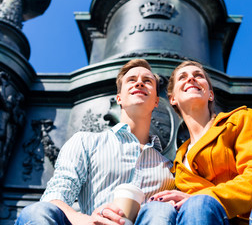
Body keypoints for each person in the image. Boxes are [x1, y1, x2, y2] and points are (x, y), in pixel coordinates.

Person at [135, 61, 252, 225]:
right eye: (182, 77)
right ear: (173, 99)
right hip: (201, 217)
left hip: (250, 217)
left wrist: (205, 197)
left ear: (210, 93)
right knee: (197, 207)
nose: (191, 78)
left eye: (198, 75)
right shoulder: (177, 164)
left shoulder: (241, 119)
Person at [15, 59, 175, 225]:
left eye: (147, 81)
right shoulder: (86, 142)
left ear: (156, 101)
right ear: (119, 98)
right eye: (131, 80)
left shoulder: (168, 167)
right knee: (35, 211)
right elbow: (54, 197)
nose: (139, 83)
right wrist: (88, 221)